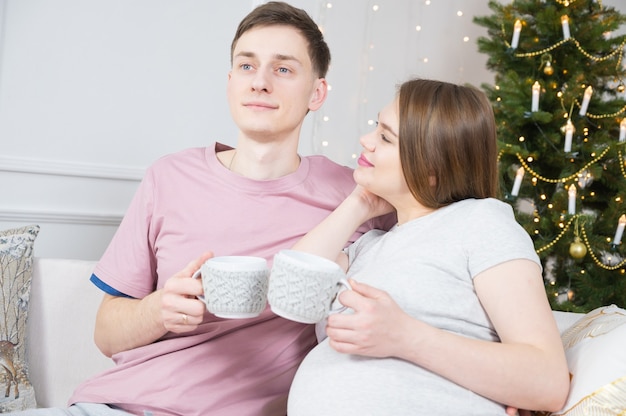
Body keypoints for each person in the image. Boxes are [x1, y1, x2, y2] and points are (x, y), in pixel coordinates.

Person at [14, 2, 393, 416]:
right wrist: (158, 310)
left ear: (316, 92)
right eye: (247, 67)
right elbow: (106, 335)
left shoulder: (356, 192)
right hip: (116, 405)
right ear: (230, 81)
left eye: (283, 69)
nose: (260, 83)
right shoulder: (169, 177)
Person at [286, 78, 570, 415]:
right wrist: (358, 204)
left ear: (432, 166)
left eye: (385, 137)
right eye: (376, 127)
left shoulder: (481, 223)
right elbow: (293, 287)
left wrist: (405, 336)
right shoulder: (369, 246)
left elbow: (548, 382)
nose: (366, 141)